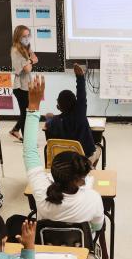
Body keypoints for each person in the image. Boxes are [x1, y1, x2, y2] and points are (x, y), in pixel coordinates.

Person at [23, 76, 105, 232]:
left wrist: (33, 107)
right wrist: (80, 78)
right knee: (98, 150)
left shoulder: (41, 195)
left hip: (47, 251)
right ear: (81, 178)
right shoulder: (93, 199)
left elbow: (29, 151)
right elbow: (96, 227)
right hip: (80, 253)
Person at [45, 64, 100, 166]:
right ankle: (90, 167)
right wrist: (80, 77)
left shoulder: (55, 121)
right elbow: (81, 96)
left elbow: (48, 122)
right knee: (99, 149)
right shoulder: (80, 116)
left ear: (59, 107)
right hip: (83, 157)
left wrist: (49, 117)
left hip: (63, 159)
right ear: (76, 104)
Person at [9, 26, 38, 142]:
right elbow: (28, 69)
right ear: (18, 37)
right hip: (20, 87)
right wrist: (31, 61)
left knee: (26, 112)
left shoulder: (24, 48)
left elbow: (36, 58)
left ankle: (15, 130)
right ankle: (27, 141)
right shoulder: (16, 50)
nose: (26, 38)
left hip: (26, 85)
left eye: (28, 36)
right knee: (26, 113)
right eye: (24, 36)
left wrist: (30, 55)